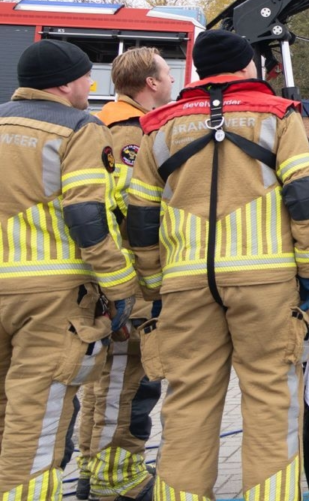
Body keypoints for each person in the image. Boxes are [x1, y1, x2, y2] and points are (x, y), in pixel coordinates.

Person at [126, 30, 309, 501]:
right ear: (244, 67)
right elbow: (305, 196)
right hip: (266, 283)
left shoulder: (159, 126)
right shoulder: (278, 115)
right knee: (271, 398)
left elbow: (141, 215)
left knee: (187, 400)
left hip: (184, 284)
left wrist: (154, 282)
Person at [0, 40, 137, 501]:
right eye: (86, 80)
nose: (90, 88)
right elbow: (86, 215)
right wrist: (120, 285)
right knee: (34, 422)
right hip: (50, 300)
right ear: (63, 84)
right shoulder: (79, 129)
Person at [76, 48, 175, 501]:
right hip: (133, 279)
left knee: (105, 381)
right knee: (130, 381)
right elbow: (133, 208)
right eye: (167, 73)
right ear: (150, 83)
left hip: (108, 279)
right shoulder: (133, 132)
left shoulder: (99, 125)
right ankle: (118, 478)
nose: (171, 80)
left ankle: (93, 468)